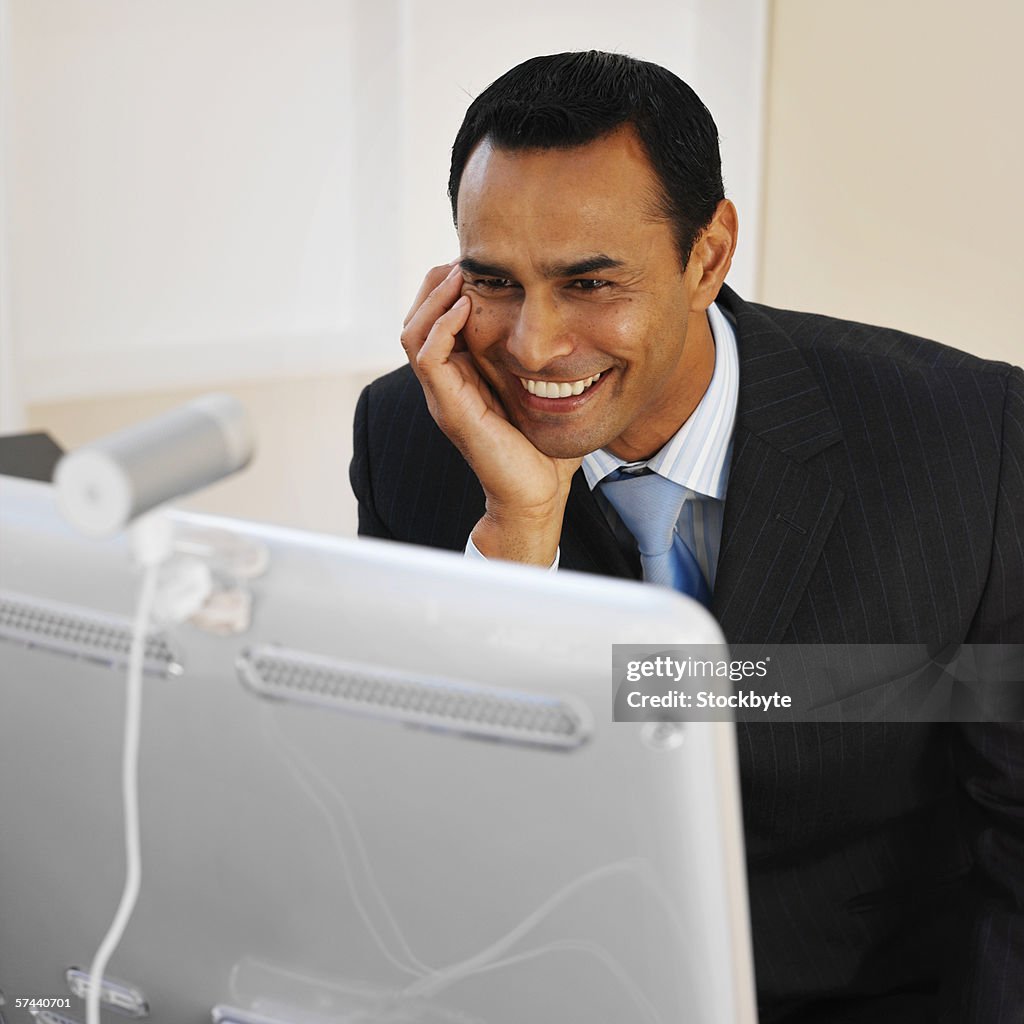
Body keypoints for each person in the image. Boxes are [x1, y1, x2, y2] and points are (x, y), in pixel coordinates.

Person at [350, 51, 1023, 1023]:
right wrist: (517, 534)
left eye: (588, 283)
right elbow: (408, 828)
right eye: (494, 281)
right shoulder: (411, 438)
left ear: (706, 257)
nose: (533, 345)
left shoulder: (969, 440)